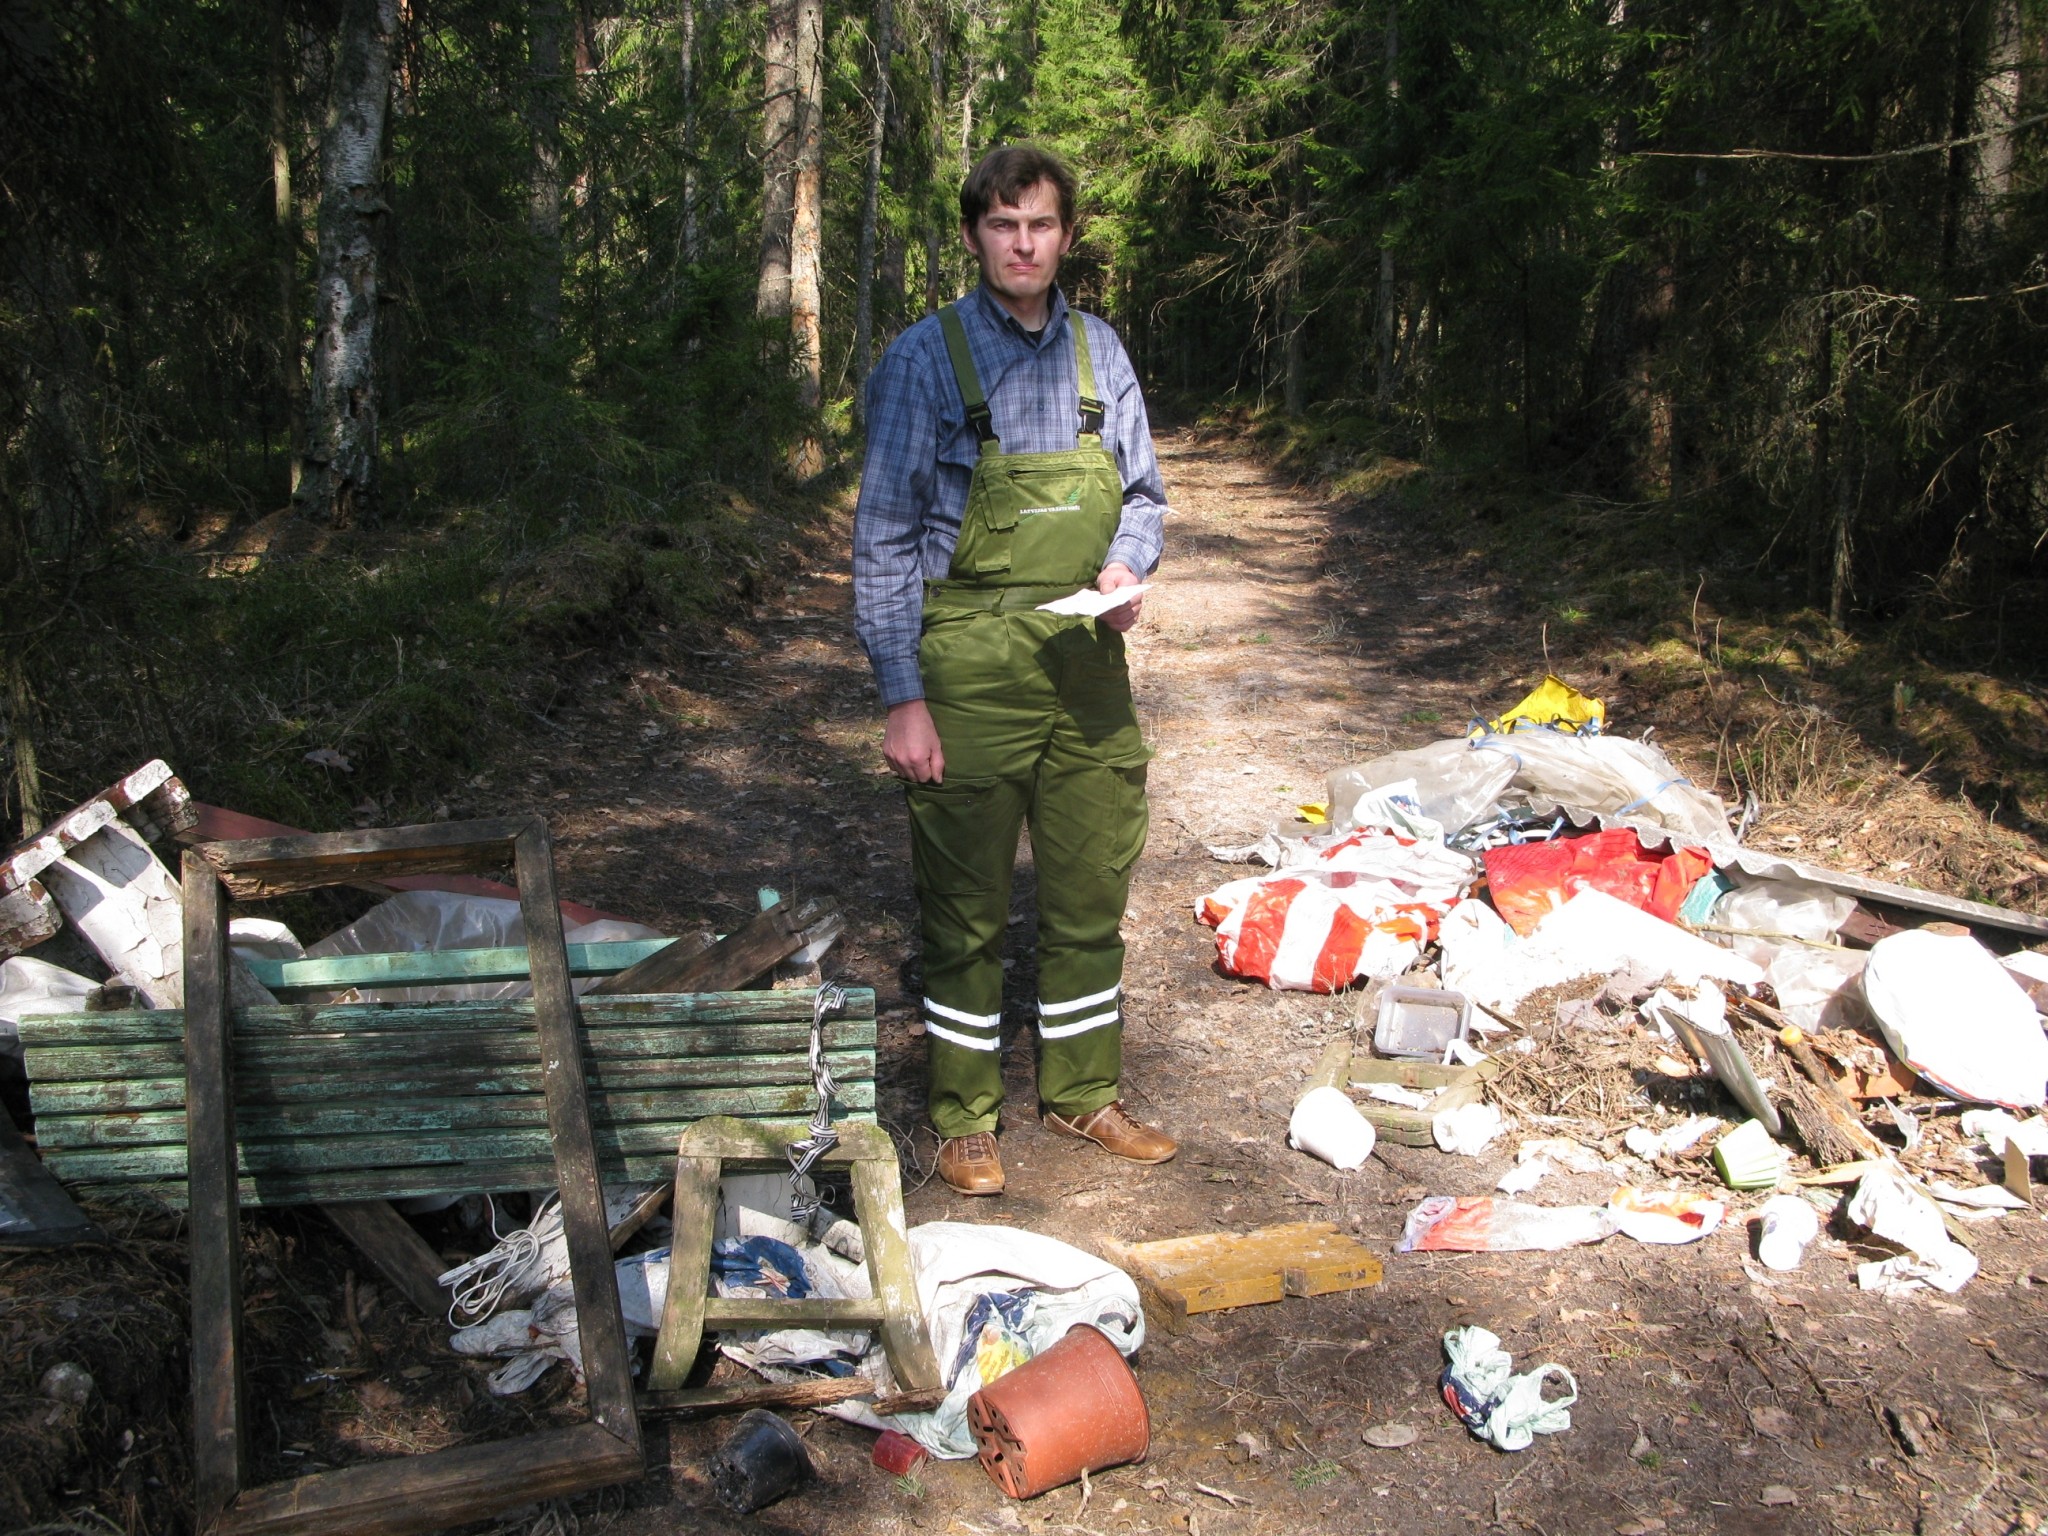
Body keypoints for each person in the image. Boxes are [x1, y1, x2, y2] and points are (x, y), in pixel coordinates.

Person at [852, 144, 1176, 1196]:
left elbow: (1143, 493)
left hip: (1084, 658)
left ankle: (1082, 1092)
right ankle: (962, 1117)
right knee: (964, 907)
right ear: (973, 236)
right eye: (1001, 224)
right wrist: (902, 696)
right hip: (968, 659)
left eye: (1039, 223)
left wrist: (1129, 562)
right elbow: (885, 538)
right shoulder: (921, 359)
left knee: (1088, 890)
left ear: (1065, 235)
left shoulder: (1099, 352)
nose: (1022, 242)